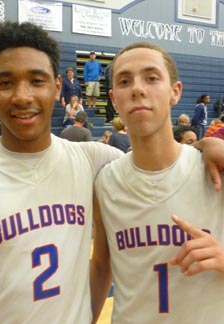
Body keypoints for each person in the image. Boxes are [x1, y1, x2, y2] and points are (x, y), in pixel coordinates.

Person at [0, 21, 125, 324]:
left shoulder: (97, 161)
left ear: (58, 86)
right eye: (6, 83)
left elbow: (170, 165)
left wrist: (207, 148)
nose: (23, 96)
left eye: (37, 81)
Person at [92, 42, 224, 324]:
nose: (138, 89)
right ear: (115, 99)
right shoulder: (105, 181)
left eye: (151, 78)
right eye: (125, 81)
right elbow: (102, 265)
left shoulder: (215, 169)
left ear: (175, 92)